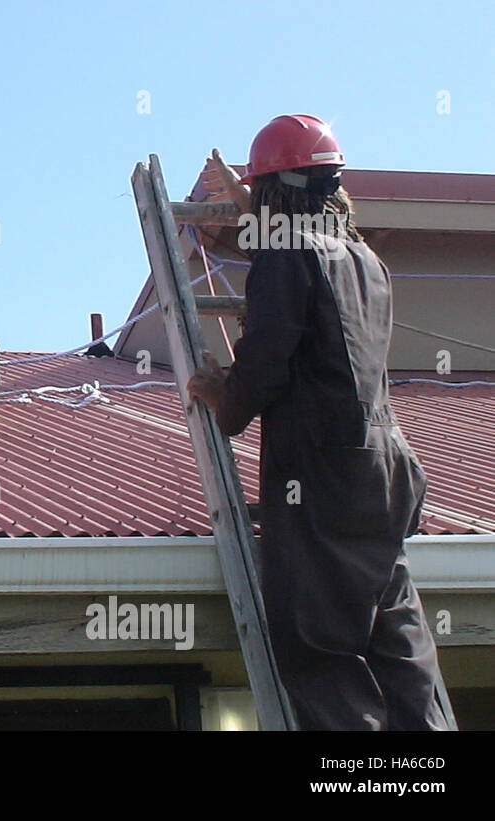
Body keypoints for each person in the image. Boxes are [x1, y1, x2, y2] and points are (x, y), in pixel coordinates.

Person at [188, 114, 453, 730]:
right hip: (386, 475)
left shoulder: (286, 259)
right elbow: (301, 236)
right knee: (398, 647)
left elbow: (267, 361)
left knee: (323, 654)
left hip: (323, 478)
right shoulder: (365, 259)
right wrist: (245, 190)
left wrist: (225, 399)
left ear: (278, 192)